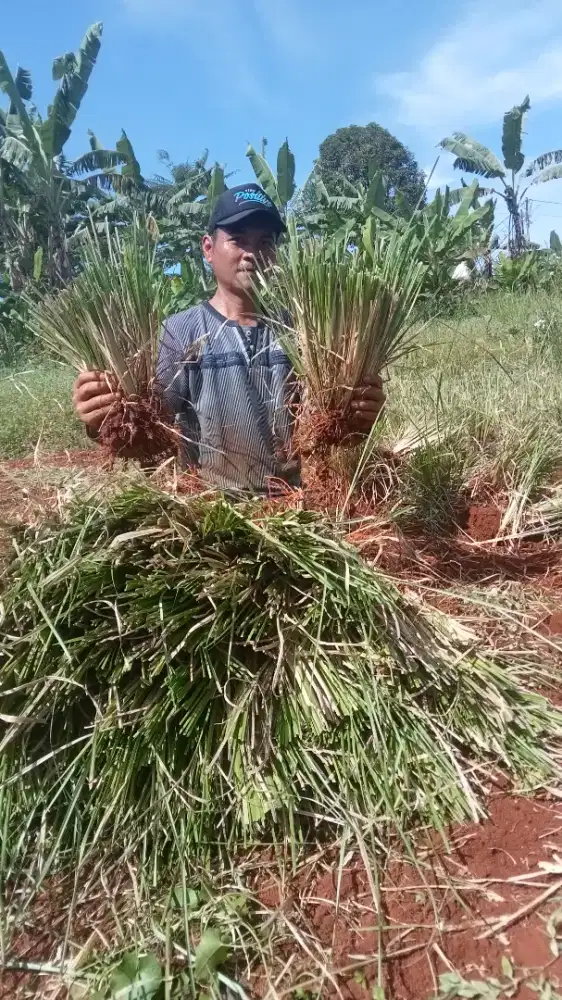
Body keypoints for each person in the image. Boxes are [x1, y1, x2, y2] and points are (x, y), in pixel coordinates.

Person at [72, 183, 386, 492]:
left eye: (265, 242)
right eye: (238, 241)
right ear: (208, 248)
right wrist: (102, 420)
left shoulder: (302, 330)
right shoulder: (178, 333)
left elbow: (334, 435)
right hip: (208, 514)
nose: (252, 254)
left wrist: (361, 418)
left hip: (291, 508)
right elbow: (145, 440)